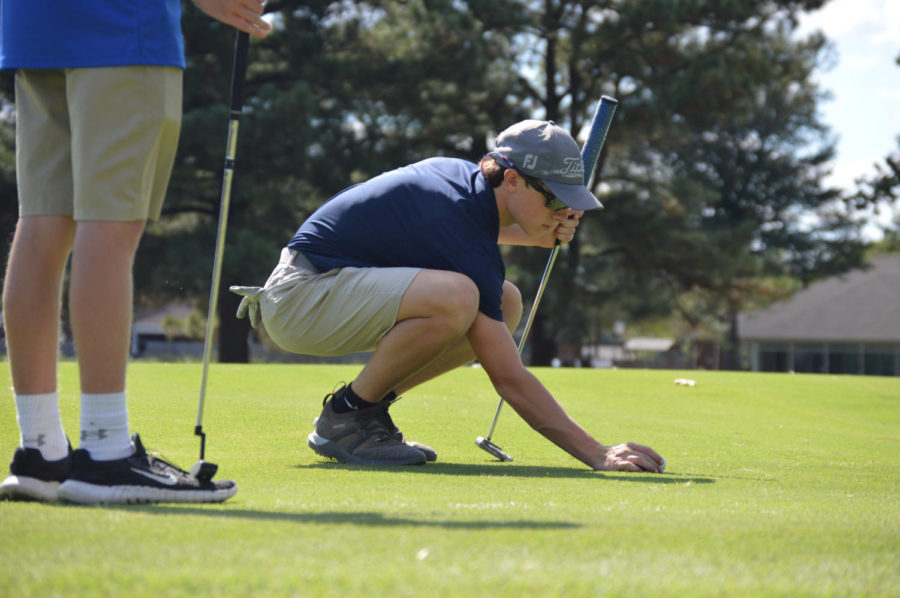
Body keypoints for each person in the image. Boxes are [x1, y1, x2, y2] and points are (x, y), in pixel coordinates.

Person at [231, 120, 666, 472]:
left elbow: (461, 233)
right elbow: (509, 378)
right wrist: (596, 452)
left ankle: (362, 412)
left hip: (322, 289)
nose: (565, 214)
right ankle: (346, 416)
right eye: (556, 202)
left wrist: (540, 232)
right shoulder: (460, 228)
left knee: (505, 300)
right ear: (513, 180)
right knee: (459, 296)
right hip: (299, 299)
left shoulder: (464, 185)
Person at [0, 1, 271, 504]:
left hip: (32, 25)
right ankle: (106, 451)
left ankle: (40, 451)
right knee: (109, 224)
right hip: (121, 24)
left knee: (43, 221)